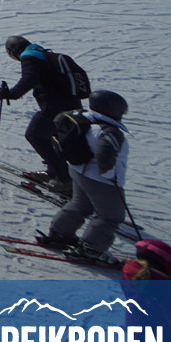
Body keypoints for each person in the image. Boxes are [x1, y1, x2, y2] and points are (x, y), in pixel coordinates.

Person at [39, 90, 129, 262]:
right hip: (101, 180)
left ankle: (60, 233)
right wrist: (110, 176)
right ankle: (92, 248)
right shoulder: (110, 132)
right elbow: (104, 155)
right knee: (111, 216)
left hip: (78, 170)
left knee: (80, 205)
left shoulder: (83, 118)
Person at [0, 35, 83, 188]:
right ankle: (54, 172)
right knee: (53, 138)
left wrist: (10, 94)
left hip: (55, 108)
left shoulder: (30, 56)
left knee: (35, 135)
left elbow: (29, 79)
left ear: (13, 51)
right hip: (72, 105)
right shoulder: (44, 54)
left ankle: (64, 180)